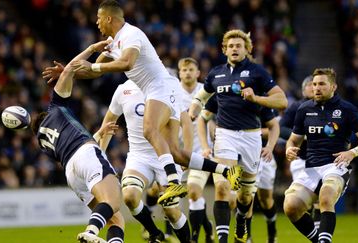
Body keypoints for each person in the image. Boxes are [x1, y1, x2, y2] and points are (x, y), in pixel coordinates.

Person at [66, 0, 242, 206]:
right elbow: (90, 70)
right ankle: (227, 170)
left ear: (108, 18)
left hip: (160, 86)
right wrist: (66, 73)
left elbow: (126, 63)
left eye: (98, 18)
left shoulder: (131, 34)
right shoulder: (113, 44)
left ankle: (173, 182)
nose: (96, 23)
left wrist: (95, 68)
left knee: (149, 130)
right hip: (166, 90)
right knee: (175, 153)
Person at [189, 29, 288, 243]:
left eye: (239, 46)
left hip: (251, 138)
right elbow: (203, 96)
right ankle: (223, 239)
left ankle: (242, 222)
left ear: (247, 49)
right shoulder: (216, 73)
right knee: (223, 186)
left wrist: (257, 99)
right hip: (225, 135)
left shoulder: (257, 73)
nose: (234, 49)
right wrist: (195, 107)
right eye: (231, 46)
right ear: (224, 49)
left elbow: (282, 102)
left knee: (245, 196)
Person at [35, 40, 124, 243]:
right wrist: (92, 49)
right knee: (113, 202)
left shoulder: (43, 142)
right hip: (85, 155)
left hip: (72, 173)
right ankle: (91, 232)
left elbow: (72, 147)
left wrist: (98, 134)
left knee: (115, 219)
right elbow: (72, 69)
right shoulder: (55, 109)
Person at [284, 68, 358, 243]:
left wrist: (352, 152)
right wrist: (290, 149)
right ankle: (319, 240)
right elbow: (293, 140)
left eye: (322, 84)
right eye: (315, 84)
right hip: (310, 167)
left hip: (336, 166)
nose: (316, 88)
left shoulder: (347, 109)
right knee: (291, 206)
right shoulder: (304, 109)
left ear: (334, 86)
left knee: (325, 197)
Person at [94, 79, 191, 243]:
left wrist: (185, 152)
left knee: (171, 211)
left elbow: (185, 121)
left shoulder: (168, 84)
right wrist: (101, 155)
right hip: (139, 156)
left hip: (165, 156)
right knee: (130, 197)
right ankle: (154, 233)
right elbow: (109, 122)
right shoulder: (123, 90)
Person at [198, 96, 280, 243]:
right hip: (228, 149)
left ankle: (267, 231)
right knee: (225, 194)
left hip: (258, 153)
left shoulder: (260, 97)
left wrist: (252, 132)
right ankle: (236, 238)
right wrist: (207, 142)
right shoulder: (223, 95)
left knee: (259, 198)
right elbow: (205, 118)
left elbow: (277, 126)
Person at [177, 57, 215, 243]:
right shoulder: (172, 92)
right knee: (182, 197)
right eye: (184, 70)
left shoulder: (205, 91)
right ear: (179, 73)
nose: (188, 73)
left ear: (198, 73)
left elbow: (215, 115)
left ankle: (193, 238)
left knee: (193, 191)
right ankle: (208, 229)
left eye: (191, 69)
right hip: (178, 152)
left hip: (202, 150)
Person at [280, 76, 321, 226]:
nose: (313, 87)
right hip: (300, 159)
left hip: (321, 159)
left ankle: (318, 234)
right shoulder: (297, 107)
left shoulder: (326, 107)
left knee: (319, 199)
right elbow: (281, 128)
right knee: (303, 200)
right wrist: (301, 136)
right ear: (304, 90)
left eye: (315, 84)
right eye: (310, 85)